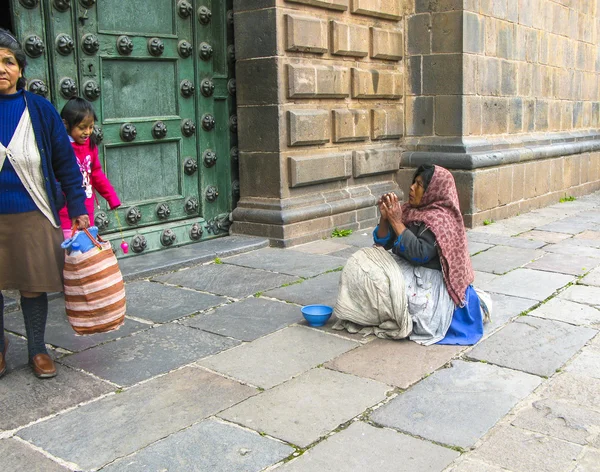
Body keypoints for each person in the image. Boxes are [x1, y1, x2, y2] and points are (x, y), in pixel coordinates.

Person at [0, 29, 89, 379]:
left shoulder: (39, 110)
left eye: (8, 61)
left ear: (21, 69)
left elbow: (65, 163)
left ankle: (37, 348)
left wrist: (79, 208)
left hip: (33, 213)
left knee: (32, 284)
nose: (1, 69)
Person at [334, 164, 486, 345]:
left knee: (381, 287)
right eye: (414, 182)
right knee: (362, 266)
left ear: (434, 190)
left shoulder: (441, 220)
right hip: (408, 268)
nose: (412, 187)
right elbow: (383, 243)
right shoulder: (411, 210)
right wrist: (385, 219)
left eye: (420, 185)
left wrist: (397, 222)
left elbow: (419, 254)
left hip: (429, 280)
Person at [59, 97, 120, 239]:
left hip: (87, 209)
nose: (87, 132)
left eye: (91, 127)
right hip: (65, 212)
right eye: (82, 128)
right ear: (66, 124)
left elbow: (96, 173)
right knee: (71, 249)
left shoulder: (89, 146)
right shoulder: (61, 148)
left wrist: (111, 196)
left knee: (86, 246)